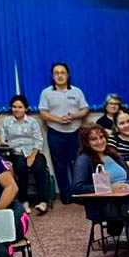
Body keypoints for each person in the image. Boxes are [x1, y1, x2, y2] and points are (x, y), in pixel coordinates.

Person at [69, 124, 129, 254]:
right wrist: (108, 188)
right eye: (94, 139)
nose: (100, 141)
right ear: (86, 142)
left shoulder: (113, 155)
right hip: (106, 205)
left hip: (127, 197)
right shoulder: (84, 159)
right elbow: (77, 188)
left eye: (101, 137)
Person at [38, 62, 88, 202]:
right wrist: (58, 120)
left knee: (77, 164)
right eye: (57, 73)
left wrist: (74, 116)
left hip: (75, 133)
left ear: (68, 75)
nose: (60, 76)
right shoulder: (46, 92)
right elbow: (42, 113)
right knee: (60, 166)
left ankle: (78, 194)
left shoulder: (77, 91)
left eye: (63, 73)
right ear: (53, 76)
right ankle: (66, 195)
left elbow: (85, 110)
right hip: (56, 133)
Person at [0, 94, 51, 216]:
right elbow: (2, 139)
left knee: (39, 168)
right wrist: (5, 144)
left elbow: (39, 140)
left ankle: (43, 202)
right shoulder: (6, 121)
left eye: (20, 107)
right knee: (20, 169)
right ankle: (24, 201)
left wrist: (32, 156)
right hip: (15, 153)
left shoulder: (32, 121)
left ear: (26, 108)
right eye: (14, 107)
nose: (17, 110)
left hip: (33, 151)